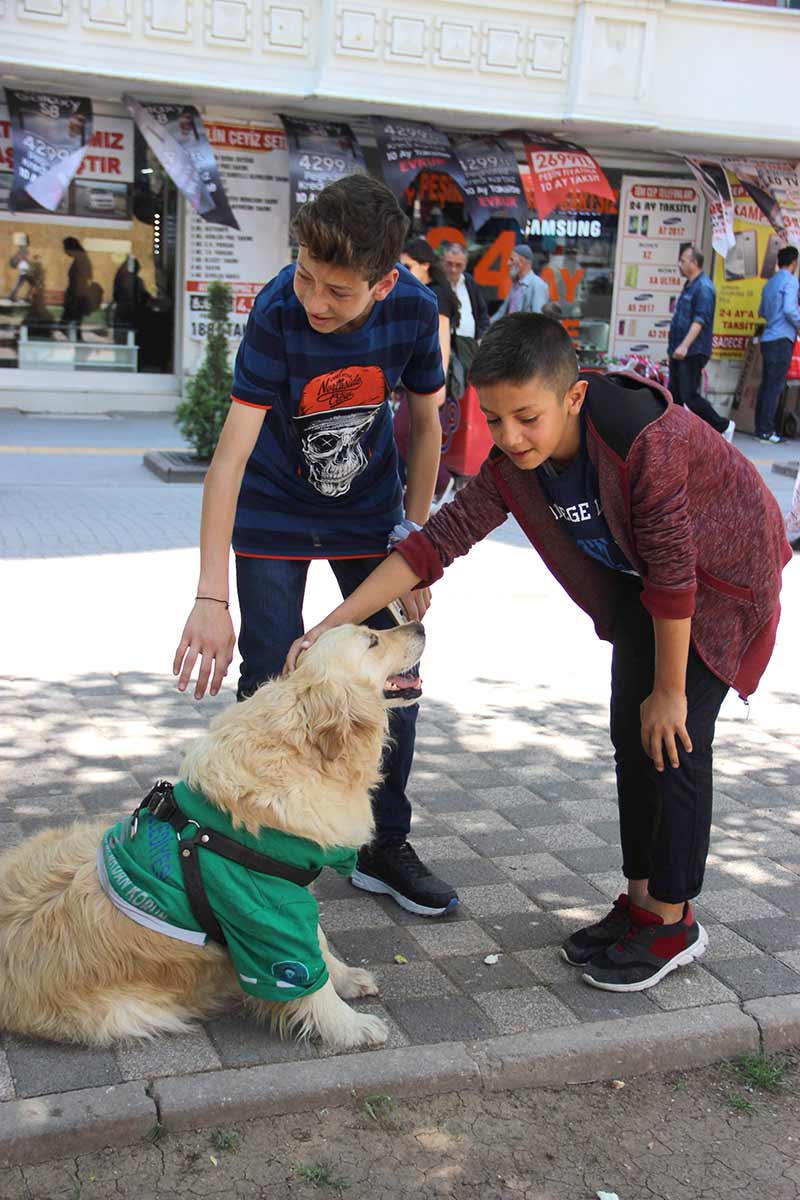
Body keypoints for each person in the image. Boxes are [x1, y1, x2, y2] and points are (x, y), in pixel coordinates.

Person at [286, 313, 791, 994]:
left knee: (673, 740)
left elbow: (677, 573)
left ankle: (673, 922)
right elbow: (434, 545)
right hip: (651, 592)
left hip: (721, 586)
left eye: (526, 417)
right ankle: (642, 905)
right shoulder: (515, 467)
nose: (509, 438)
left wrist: (670, 692)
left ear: (572, 397)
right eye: (493, 421)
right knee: (630, 735)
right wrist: (329, 625)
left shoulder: (646, 441)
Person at [172, 175, 458, 919]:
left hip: (371, 514)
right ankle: (257, 846)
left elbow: (427, 424)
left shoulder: (415, 312)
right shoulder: (277, 312)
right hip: (273, 511)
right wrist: (210, 596)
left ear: (385, 281)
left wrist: (415, 535)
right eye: (305, 276)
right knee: (271, 675)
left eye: (337, 290)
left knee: (395, 674)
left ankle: (382, 847)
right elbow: (229, 456)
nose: (314, 301)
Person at [397, 238, 460, 505]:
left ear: (425, 265)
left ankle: (443, 481)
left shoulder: (437, 295)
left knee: (401, 432)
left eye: (408, 266)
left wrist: (439, 386)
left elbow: (442, 342)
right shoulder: (420, 293)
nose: (402, 272)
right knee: (403, 432)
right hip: (415, 377)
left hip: (430, 379)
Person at [668, 246, 735, 441]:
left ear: (694, 263)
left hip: (692, 351)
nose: (680, 264)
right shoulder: (690, 285)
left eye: (683, 261)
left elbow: (700, 321)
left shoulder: (704, 288)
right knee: (674, 395)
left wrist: (685, 345)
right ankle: (676, 434)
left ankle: (723, 425)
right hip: (678, 350)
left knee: (690, 395)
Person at [755, 245, 800, 444]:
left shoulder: (770, 283)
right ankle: (767, 431)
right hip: (782, 339)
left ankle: (761, 428)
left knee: (766, 385)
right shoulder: (791, 281)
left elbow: (762, 311)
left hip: (768, 338)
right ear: (794, 263)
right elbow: (790, 310)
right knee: (774, 387)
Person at [442, 242, 490, 343]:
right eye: (449, 264)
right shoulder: (436, 285)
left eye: (458, 265)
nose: (453, 269)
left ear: (465, 265)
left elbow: (482, 315)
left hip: (471, 347)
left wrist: (481, 338)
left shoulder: (470, 283)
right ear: (443, 262)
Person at [491, 244, 549, 321]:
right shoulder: (516, 284)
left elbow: (538, 320)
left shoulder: (537, 285)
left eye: (511, 259)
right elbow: (502, 312)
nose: (508, 263)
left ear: (521, 262)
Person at [112, 257, 151, 347]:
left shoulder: (120, 278)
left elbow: (116, 295)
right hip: (131, 313)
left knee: (120, 341)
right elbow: (143, 296)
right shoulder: (135, 280)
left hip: (121, 311)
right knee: (130, 340)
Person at [61, 237, 93, 342]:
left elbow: (81, 281)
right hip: (76, 297)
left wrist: (75, 299)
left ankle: (78, 345)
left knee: (69, 325)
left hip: (77, 298)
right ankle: (77, 344)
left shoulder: (81, 260)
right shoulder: (81, 258)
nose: (64, 251)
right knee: (71, 326)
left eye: (65, 248)